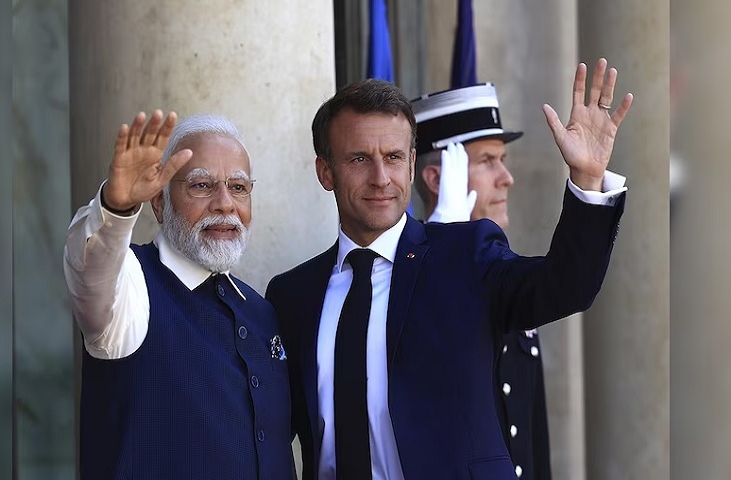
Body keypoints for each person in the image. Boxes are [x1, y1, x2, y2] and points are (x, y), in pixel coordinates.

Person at [266, 58, 631, 480]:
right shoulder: (291, 296)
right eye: (360, 159)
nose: (381, 177)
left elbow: (565, 287)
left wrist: (587, 180)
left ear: (411, 163)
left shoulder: (466, 257)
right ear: (325, 172)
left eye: (393, 156)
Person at [63, 110, 295, 479]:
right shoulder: (130, 284)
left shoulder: (261, 311)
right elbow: (89, 264)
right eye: (201, 186)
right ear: (159, 202)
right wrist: (116, 207)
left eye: (238, 187)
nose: (224, 203)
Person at [412, 83, 552, 480]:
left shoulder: (507, 273)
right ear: (438, 179)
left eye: (502, 159)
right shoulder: (405, 281)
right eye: (488, 160)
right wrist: (446, 244)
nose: (506, 177)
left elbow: (531, 437)